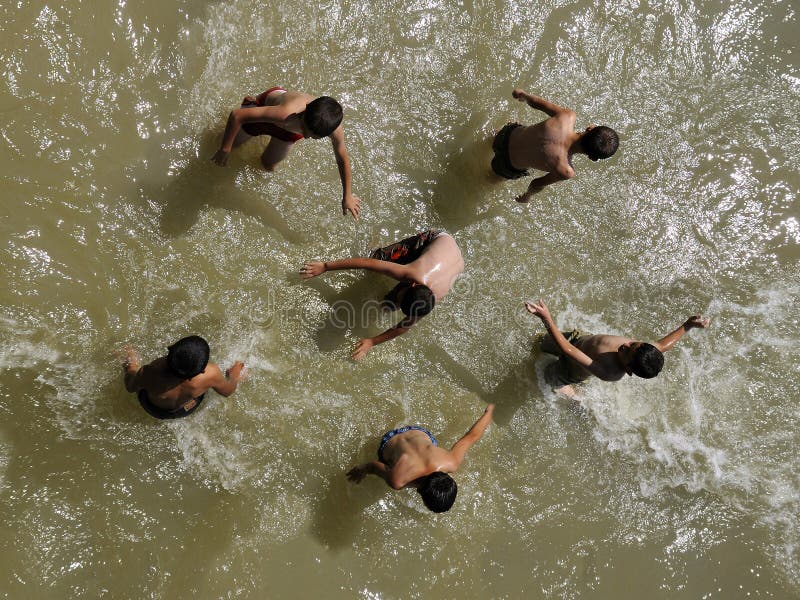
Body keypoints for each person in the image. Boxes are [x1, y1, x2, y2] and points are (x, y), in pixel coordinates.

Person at [300, 229, 464, 359]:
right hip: (437, 238)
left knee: (389, 304)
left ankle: (390, 302)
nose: (399, 294)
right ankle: (373, 239)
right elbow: (367, 264)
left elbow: (404, 327)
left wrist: (372, 342)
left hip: (454, 262)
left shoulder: (426, 303)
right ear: (412, 283)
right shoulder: (412, 273)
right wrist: (325, 266)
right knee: (377, 258)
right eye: (402, 294)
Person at [211, 87, 361, 220]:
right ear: (306, 109)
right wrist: (225, 149)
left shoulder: (332, 129)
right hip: (267, 114)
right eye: (305, 129)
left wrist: (347, 195)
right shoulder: (286, 112)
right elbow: (237, 116)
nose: (307, 136)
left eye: (313, 136)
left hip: (289, 132)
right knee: (228, 144)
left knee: (268, 165)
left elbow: (342, 159)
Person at [525, 300, 710, 394]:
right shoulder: (644, 350)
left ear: (628, 370)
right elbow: (663, 345)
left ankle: (571, 393)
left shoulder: (609, 372)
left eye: (627, 352)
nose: (626, 345)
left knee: (540, 379)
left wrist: (547, 319)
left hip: (569, 369)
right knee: (537, 342)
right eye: (633, 344)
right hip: (576, 339)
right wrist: (688, 325)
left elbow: (568, 351)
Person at [346, 404, 494, 513]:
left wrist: (489, 413)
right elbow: (373, 466)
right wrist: (361, 470)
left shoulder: (450, 462)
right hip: (387, 441)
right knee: (391, 463)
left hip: (418, 431)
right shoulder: (398, 480)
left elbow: (471, 437)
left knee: (431, 447)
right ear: (421, 494)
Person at [492, 88, 619, 202]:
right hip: (507, 166)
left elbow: (538, 103)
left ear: (590, 128)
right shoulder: (565, 170)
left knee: (491, 138)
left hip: (506, 135)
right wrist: (527, 196)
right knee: (491, 178)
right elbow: (537, 184)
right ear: (592, 158)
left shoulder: (567, 117)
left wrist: (524, 96)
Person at [123, 336, 245, 419]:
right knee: (208, 386)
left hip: (154, 410)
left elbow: (130, 387)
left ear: (170, 348)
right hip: (186, 409)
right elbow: (228, 391)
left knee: (141, 383)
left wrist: (131, 366)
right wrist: (233, 376)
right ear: (202, 371)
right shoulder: (209, 374)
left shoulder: (149, 372)